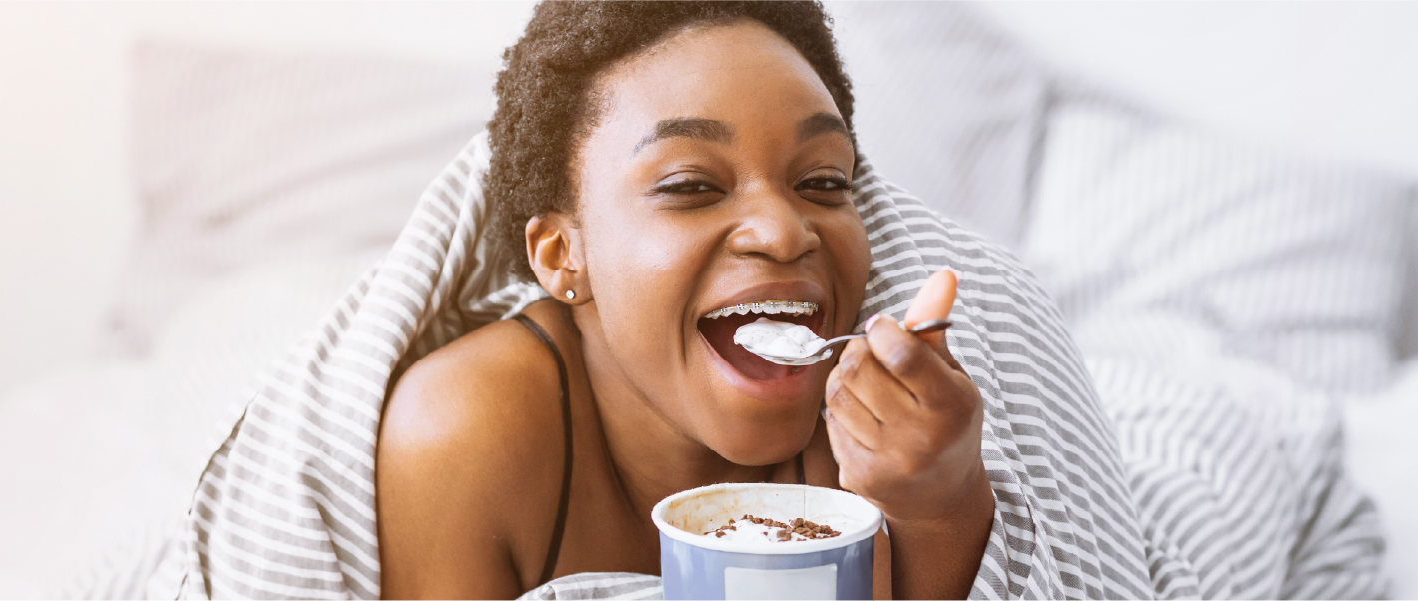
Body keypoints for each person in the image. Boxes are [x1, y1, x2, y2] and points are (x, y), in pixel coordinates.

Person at [375, 2, 993, 598]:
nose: (782, 232)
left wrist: (940, 506)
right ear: (563, 253)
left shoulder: (869, 438)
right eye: (691, 186)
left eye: (823, 182)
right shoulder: (465, 430)